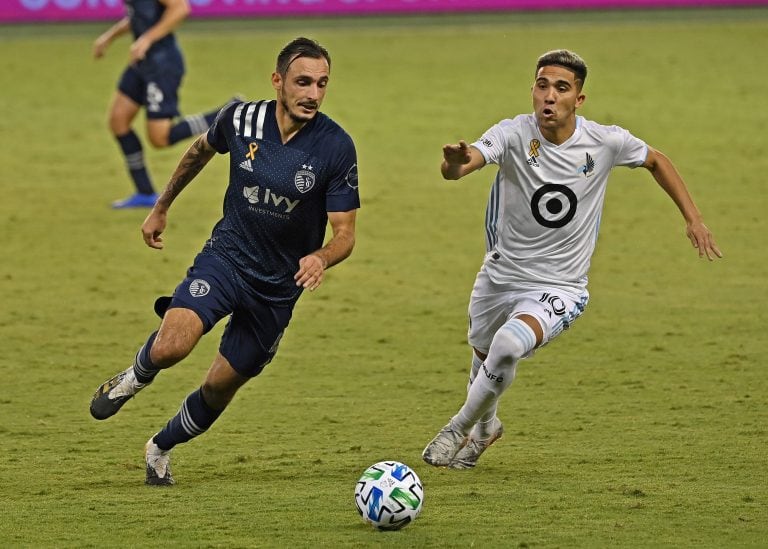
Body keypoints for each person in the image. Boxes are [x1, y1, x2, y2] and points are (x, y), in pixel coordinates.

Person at [422, 49, 722, 470]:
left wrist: (694, 220)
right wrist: (453, 163)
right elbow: (465, 163)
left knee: (507, 347)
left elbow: (657, 160)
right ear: (532, 89)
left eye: (561, 88)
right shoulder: (512, 134)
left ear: (578, 99)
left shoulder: (604, 141)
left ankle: (456, 429)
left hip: (559, 287)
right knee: (484, 353)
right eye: (542, 85)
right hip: (499, 277)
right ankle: (486, 428)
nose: (549, 96)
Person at [89, 37, 360, 485]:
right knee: (171, 346)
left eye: (322, 84)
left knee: (217, 388)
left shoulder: (335, 147)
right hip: (228, 258)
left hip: (276, 289)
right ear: (278, 81)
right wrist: (161, 206)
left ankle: (159, 447)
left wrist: (321, 256)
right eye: (303, 82)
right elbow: (199, 151)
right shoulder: (241, 118)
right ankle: (134, 378)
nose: (313, 93)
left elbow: (345, 233)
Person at [93, 0, 229, 208]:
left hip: (162, 65)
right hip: (142, 64)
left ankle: (225, 115)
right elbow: (139, 15)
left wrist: (146, 39)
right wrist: (109, 37)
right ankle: (145, 192)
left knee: (160, 138)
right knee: (118, 121)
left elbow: (181, 8)